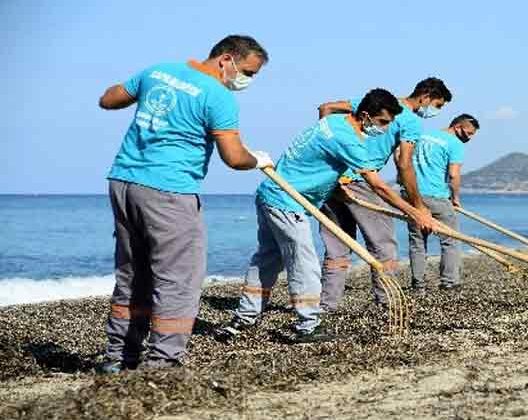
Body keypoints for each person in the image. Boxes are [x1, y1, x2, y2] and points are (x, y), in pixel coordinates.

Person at [97, 35, 273, 373]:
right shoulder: (218, 96)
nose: (247, 80)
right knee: (178, 278)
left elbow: (108, 99)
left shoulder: (159, 71)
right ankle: (162, 363)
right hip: (169, 191)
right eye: (248, 72)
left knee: (132, 274)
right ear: (226, 60)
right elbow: (234, 158)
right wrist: (257, 161)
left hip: (123, 182)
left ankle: (119, 359)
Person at [217, 88, 434, 343]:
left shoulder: (332, 122)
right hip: (287, 202)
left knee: (268, 259)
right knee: (303, 262)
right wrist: (415, 212)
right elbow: (379, 186)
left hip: (270, 195)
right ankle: (307, 324)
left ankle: (244, 317)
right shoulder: (348, 140)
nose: (385, 129)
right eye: (382, 122)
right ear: (365, 115)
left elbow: (319, 162)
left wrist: (336, 187)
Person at [316, 78, 452, 311]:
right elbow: (405, 163)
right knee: (384, 247)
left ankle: (327, 306)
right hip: (363, 181)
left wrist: (332, 145)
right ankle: (386, 304)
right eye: (437, 105)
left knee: (337, 248)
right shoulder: (409, 121)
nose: (434, 111)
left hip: (333, 181)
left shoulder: (373, 103)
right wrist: (418, 205)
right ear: (425, 97)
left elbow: (325, 108)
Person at [407, 114, 479, 291]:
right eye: (468, 133)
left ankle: (419, 285)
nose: (469, 138)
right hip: (437, 196)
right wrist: (455, 198)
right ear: (457, 127)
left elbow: (403, 159)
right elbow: (454, 175)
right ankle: (449, 282)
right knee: (450, 240)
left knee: (417, 241)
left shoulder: (422, 137)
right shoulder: (454, 144)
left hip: (412, 195)